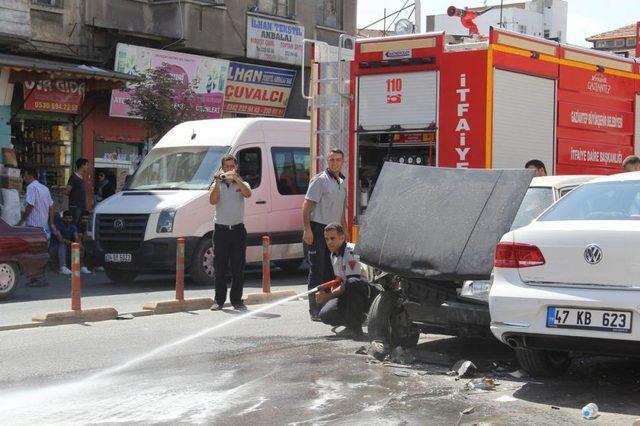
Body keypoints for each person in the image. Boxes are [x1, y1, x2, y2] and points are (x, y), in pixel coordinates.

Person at [303, 149, 348, 321]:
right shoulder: (320, 180)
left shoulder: (341, 181)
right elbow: (306, 206)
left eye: (338, 159)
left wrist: (344, 233)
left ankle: (329, 309)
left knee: (333, 271)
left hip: (335, 231)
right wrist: (307, 229)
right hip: (319, 229)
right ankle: (314, 309)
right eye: (331, 160)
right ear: (327, 161)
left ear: (343, 162)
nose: (335, 163)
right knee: (317, 271)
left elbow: (341, 212)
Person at [208, 154, 252, 311]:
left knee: (237, 267)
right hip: (221, 230)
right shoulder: (216, 184)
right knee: (219, 266)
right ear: (221, 168)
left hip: (238, 230)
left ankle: (237, 300)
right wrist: (218, 181)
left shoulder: (242, 184)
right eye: (226, 167)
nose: (229, 169)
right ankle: (218, 300)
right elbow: (212, 201)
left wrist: (236, 179)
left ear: (236, 167)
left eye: (231, 166)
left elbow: (248, 194)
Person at [316, 223, 370, 340]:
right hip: (349, 291)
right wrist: (326, 294)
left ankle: (355, 327)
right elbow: (340, 281)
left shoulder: (351, 251)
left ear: (342, 237)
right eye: (326, 239)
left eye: (332, 238)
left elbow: (351, 283)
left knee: (352, 283)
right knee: (325, 314)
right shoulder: (333, 255)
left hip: (366, 293)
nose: (329, 242)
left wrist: (328, 296)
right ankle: (351, 322)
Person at [18, 167, 55, 286]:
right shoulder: (44, 188)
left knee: (33, 254)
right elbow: (51, 207)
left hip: (33, 226)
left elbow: (30, 206)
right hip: (42, 227)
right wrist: (51, 222)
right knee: (39, 253)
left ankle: (38, 278)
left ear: (30, 175)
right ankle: (37, 278)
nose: (24, 178)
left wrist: (22, 220)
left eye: (25, 176)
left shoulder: (31, 188)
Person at [50, 210, 90, 275]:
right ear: (63, 218)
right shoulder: (58, 226)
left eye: (70, 218)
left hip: (66, 250)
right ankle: (62, 267)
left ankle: (80, 267)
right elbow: (61, 239)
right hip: (54, 250)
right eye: (66, 218)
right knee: (62, 244)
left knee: (77, 246)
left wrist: (80, 245)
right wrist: (72, 243)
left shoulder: (73, 227)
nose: (68, 220)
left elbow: (76, 238)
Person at [66, 158, 89, 224]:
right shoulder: (73, 177)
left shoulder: (81, 177)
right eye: (86, 165)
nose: (87, 167)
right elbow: (67, 191)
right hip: (75, 206)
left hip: (81, 206)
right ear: (82, 165)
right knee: (75, 224)